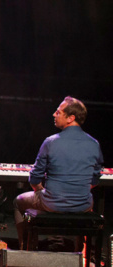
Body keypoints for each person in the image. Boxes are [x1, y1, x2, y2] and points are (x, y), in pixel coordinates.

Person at [13, 97, 104, 247]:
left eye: (58, 112)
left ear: (70, 118)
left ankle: (24, 250)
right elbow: (95, 180)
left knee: (18, 201)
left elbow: (35, 178)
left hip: (52, 204)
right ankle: (80, 254)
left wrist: (40, 191)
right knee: (81, 203)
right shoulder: (94, 143)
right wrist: (77, 191)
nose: (54, 115)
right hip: (83, 205)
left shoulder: (51, 141)